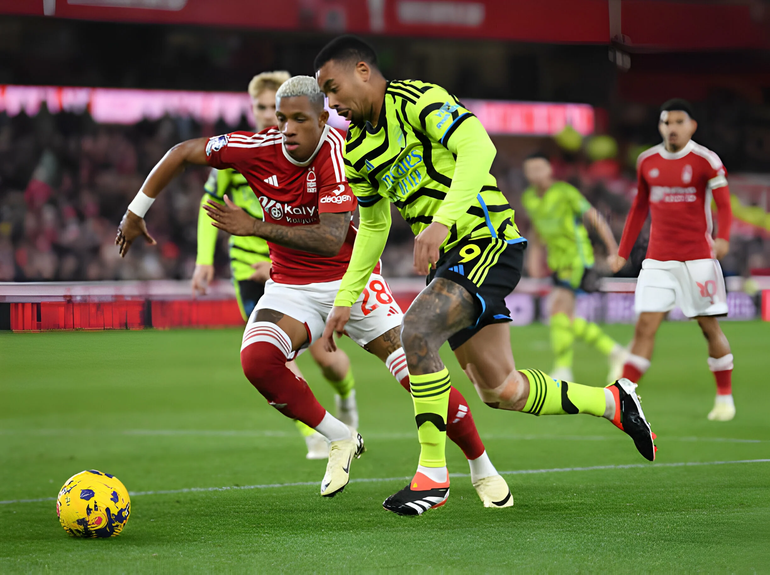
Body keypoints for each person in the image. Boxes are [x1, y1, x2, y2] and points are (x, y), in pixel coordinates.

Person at [116, 76, 511, 504]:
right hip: (290, 287)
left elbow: (329, 238)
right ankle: (340, 436)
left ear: (323, 119)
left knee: (418, 372)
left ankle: (481, 465)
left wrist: (254, 227)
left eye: (299, 119)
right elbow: (181, 152)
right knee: (257, 360)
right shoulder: (255, 148)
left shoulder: (339, 154)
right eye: (281, 118)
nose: (287, 128)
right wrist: (136, 211)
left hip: (351, 283)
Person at [315, 35, 655, 516]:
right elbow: (372, 225)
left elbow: (478, 146)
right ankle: (613, 402)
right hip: (448, 261)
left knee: (417, 330)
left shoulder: (417, 99)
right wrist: (346, 297)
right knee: (501, 390)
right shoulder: (356, 149)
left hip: (486, 239)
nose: (331, 103)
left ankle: (432, 476)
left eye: (333, 88)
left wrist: (441, 221)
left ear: (363, 71)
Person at [191, 71, 357, 460]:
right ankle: (316, 435)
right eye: (262, 108)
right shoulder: (241, 154)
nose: (269, 115)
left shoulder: (315, 153)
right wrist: (203, 259)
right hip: (248, 268)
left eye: (275, 108)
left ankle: (347, 398)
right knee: (275, 356)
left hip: (299, 266)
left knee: (327, 360)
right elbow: (208, 205)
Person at [610, 99, 735, 422]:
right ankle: (621, 399)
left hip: (698, 260)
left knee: (708, 327)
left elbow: (724, 205)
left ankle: (724, 397)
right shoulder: (647, 161)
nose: (672, 128)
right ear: (660, 126)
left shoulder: (706, 160)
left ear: (692, 126)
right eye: (667, 122)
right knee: (644, 328)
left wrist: (722, 238)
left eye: (679, 122)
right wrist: (622, 252)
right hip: (658, 261)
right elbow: (639, 208)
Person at [522, 153, 627, 383]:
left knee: (558, 310)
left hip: (577, 259)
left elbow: (595, 217)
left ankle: (564, 369)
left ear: (549, 170)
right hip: (557, 263)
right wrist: (533, 259)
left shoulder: (564, 192)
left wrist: (613, 249)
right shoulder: (529, 198)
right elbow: (537, 231)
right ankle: (614, 352)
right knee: (563, 317)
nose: (536, 174)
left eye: (540, 168)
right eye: (531, 170)